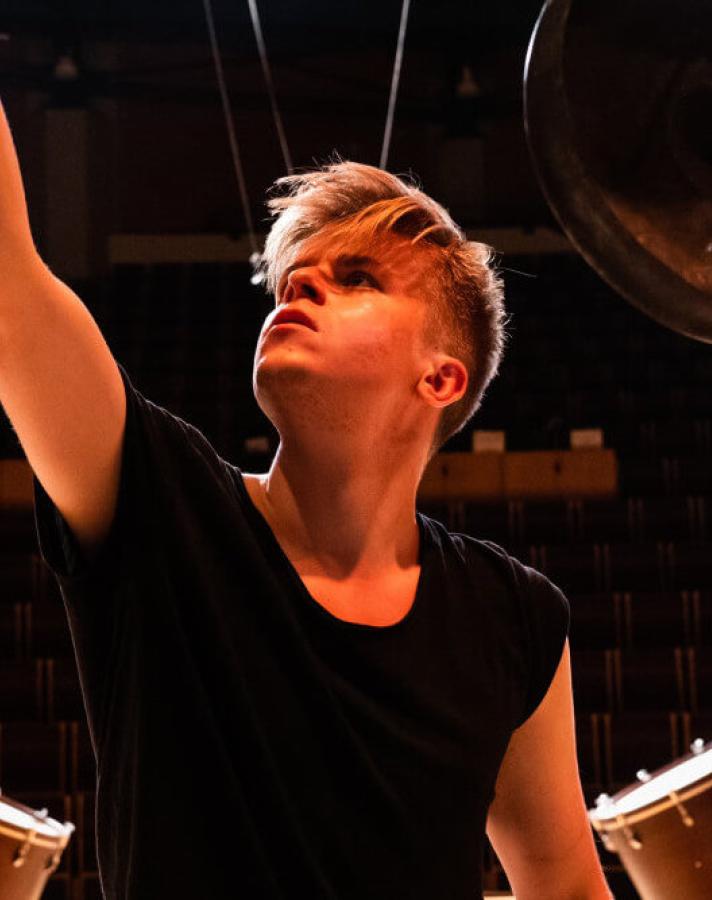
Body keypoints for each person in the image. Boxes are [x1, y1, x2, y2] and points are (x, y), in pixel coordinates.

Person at [0, 96, 612, 897]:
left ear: (440, 379)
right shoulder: (157, 501)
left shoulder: (514, 615)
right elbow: (8, 284)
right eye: (294, 276)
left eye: (357, 278)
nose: (300, 284)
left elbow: (566, 884)